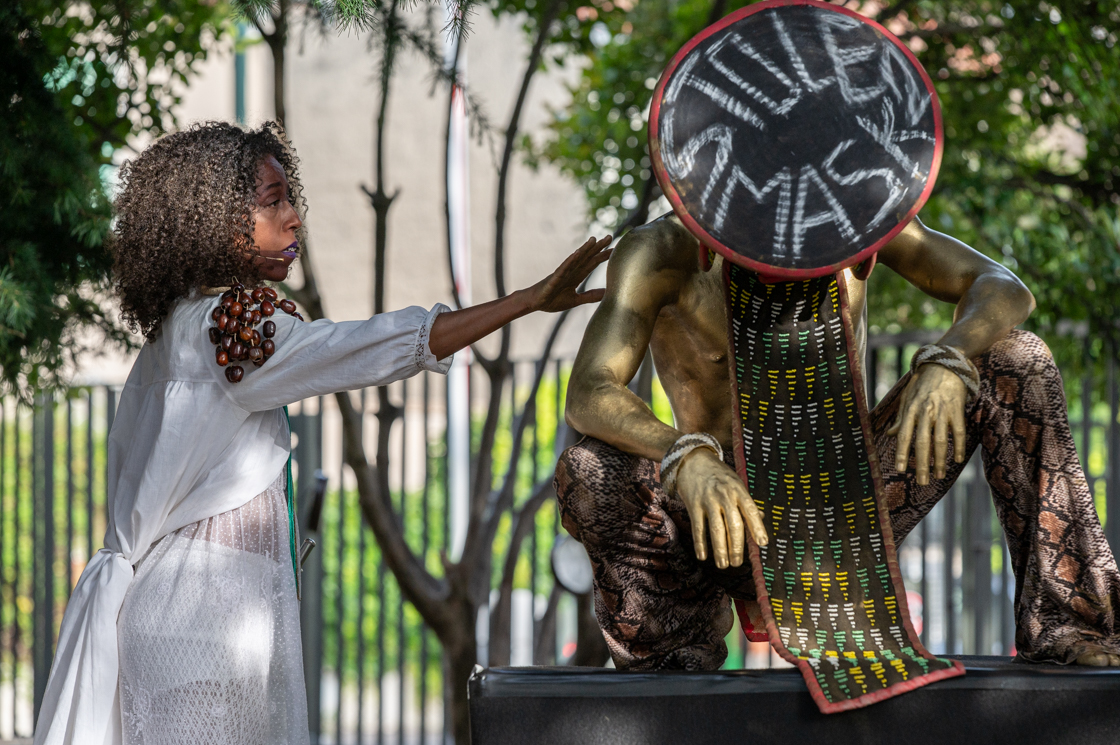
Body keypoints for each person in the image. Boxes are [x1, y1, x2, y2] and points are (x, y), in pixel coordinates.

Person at [34, 121, 612, 745]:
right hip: (207, 625)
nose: (294, 219)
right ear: (220, 220)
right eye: (272, 200)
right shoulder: (235, 325)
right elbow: (360, 346)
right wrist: (522, 301)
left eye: (291, 198)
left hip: (170, 613)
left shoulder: (172, 333)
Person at [556, 210, 1120, 672]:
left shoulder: (857, 221)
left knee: (1016, 357)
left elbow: (1003, 286)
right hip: (719, 518)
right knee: (589, 467)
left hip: (846, 509)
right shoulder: (662, 249)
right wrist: (688, 452)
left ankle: (1069, 617)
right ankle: (670, 650)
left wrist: (948, 360)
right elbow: (588, 389)